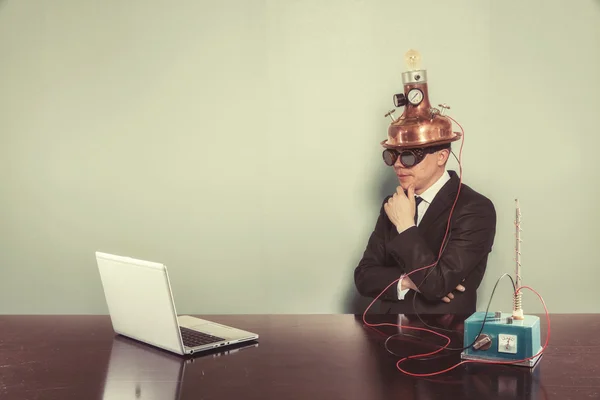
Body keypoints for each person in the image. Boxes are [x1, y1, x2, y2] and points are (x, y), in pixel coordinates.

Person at [354, 141, 496, 314]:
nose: (398, 163)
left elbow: (437, 285)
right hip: (387, 332)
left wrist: (405, 227)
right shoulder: (394, 204)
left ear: (441, 156)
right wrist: (406, 281)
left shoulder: (475, 208)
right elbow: (364, 277)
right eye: (392, 155)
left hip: (446, 334)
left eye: (408, 156)